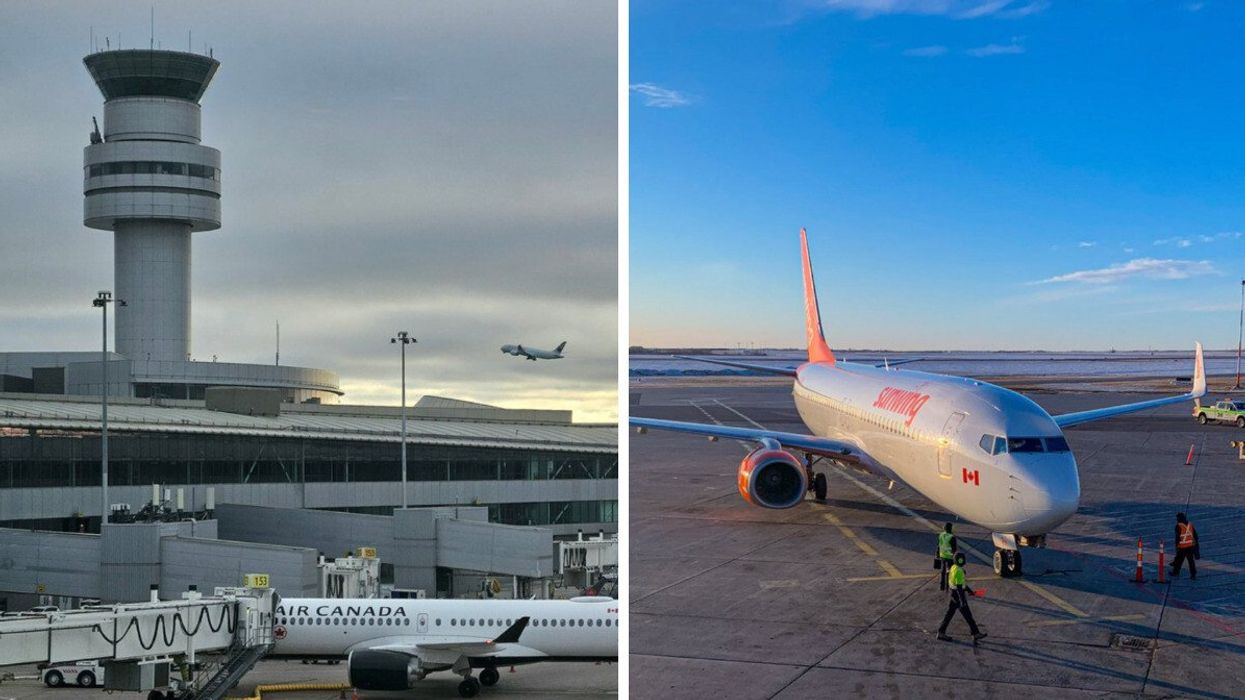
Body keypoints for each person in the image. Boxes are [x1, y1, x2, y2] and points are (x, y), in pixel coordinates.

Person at [938, 552, 987, 643]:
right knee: (967, 615)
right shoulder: (959, 571)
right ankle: (975, 633)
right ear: (961, 560)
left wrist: (969, 591)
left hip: (953, 594)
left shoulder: (954, 567)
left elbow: (961, 583)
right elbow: (959, 587)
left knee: (950, 614)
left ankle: (941, 632)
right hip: (957, 596)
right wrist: (962, 601)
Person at [1170, 512, 1198, 580]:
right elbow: (1195, 535)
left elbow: (1177, 538)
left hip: (1182, 547)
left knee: (1179, 560)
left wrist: (1177, 546)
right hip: (1190, 546)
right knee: (1191, 561)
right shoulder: (1190, 524)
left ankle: (1175, 572)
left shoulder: (1178, 526)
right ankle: (1193, 574)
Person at [937, 522, 957, 591]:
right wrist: (955, 558)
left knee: (943, 570)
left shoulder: (941, 535)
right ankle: (948, 586)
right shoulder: (952, 537)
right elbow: (954, 549)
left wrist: (937, 554)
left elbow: (939, 545)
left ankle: (942, 586)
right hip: (950, 557)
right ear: (951, 529)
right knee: (950, 571)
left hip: (942, 555)